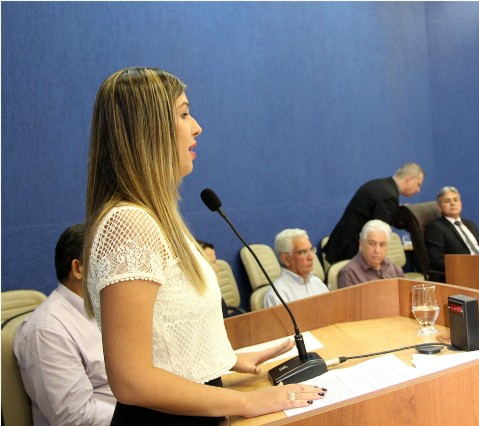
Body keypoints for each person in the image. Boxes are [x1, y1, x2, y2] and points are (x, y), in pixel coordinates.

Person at [82, 67, 325, 424]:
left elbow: (167, 330)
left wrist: (226, 359)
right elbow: (131, 380)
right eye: (183, 113)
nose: (196, 126)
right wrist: (250, 403)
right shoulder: (128, 224)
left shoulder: (157, 218)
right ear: (147, 130)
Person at [14, 223, 116, 425]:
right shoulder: (47, 331)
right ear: (78, 269)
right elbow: (74, 417)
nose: (120, 270)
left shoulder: (103, 310)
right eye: (109, 261)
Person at [323, 163, 424, 264]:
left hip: (343, 244)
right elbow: (379, 233)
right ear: (409, 179)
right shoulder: (389, 196)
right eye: (418, 184)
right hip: (350, 251)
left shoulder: (382, 185)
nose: (418, 190)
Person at [425, 186, 479, 276]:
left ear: (460, 204)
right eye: (447, 201)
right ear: (439, 208)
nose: (452, 203)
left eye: (455, 200)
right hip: (467, 272)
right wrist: (465, 266)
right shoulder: (436, 227)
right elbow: (436, 260)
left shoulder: (470, 224)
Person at [263, 229, 329, 308]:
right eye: (303, 252)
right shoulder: (277, 294)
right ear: (286, 259)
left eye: (311, 250)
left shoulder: (317, 283)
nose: (311, 257)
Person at [338, 220, 404, 288]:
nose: (377, 250)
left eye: (382, 244)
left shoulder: (395, 270)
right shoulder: (349, 274)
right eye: (371, 244)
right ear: (361, 243)